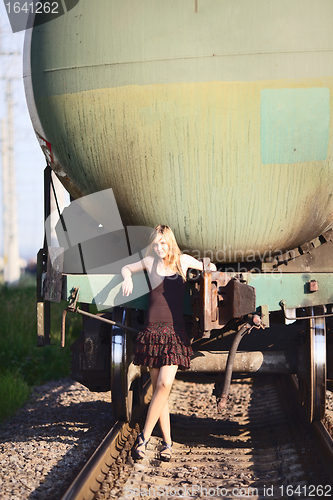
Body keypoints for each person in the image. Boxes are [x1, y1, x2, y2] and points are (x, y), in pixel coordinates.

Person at [121, 225, 216, 462]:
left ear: (170, 242)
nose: (159, 248)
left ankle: (143, 438)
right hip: (153, 333)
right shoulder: (150, 262)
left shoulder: (182, 261)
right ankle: (167, 443)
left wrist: (207, 270)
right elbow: (126, 267)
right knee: (158, 393)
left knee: (163, 385)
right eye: (156, 244)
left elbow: (210, 267)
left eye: (163, 243)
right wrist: (127, 279)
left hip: (174, 334)